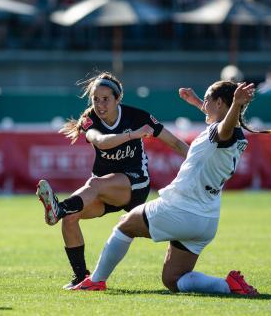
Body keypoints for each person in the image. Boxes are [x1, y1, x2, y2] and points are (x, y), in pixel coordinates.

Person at [77, 81, 271, 295]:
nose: (204, 103)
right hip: (206, 219)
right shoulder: (236, 135)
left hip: (182, 209)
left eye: (207, 99)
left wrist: (236, 104)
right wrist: (197, 102)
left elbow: (224, 126)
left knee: (125, 225)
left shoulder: (224, 131)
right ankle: (228, 286)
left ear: (220, 103)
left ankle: (95, 281)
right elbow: (220, 119)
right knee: (173, 279)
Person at [36, 72, 189, 290]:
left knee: (92, 187)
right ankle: (81, 277)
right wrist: (132, 135)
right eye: (95, 99)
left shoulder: (138, 116)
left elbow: (175, 143)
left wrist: (200, 162)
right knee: (70, 219)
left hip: (135, 184)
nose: (99, 104)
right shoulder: (89, 119)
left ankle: (58, 209)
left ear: (118, 99)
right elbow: (100, 141)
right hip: (104, 189)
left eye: (105, 99)